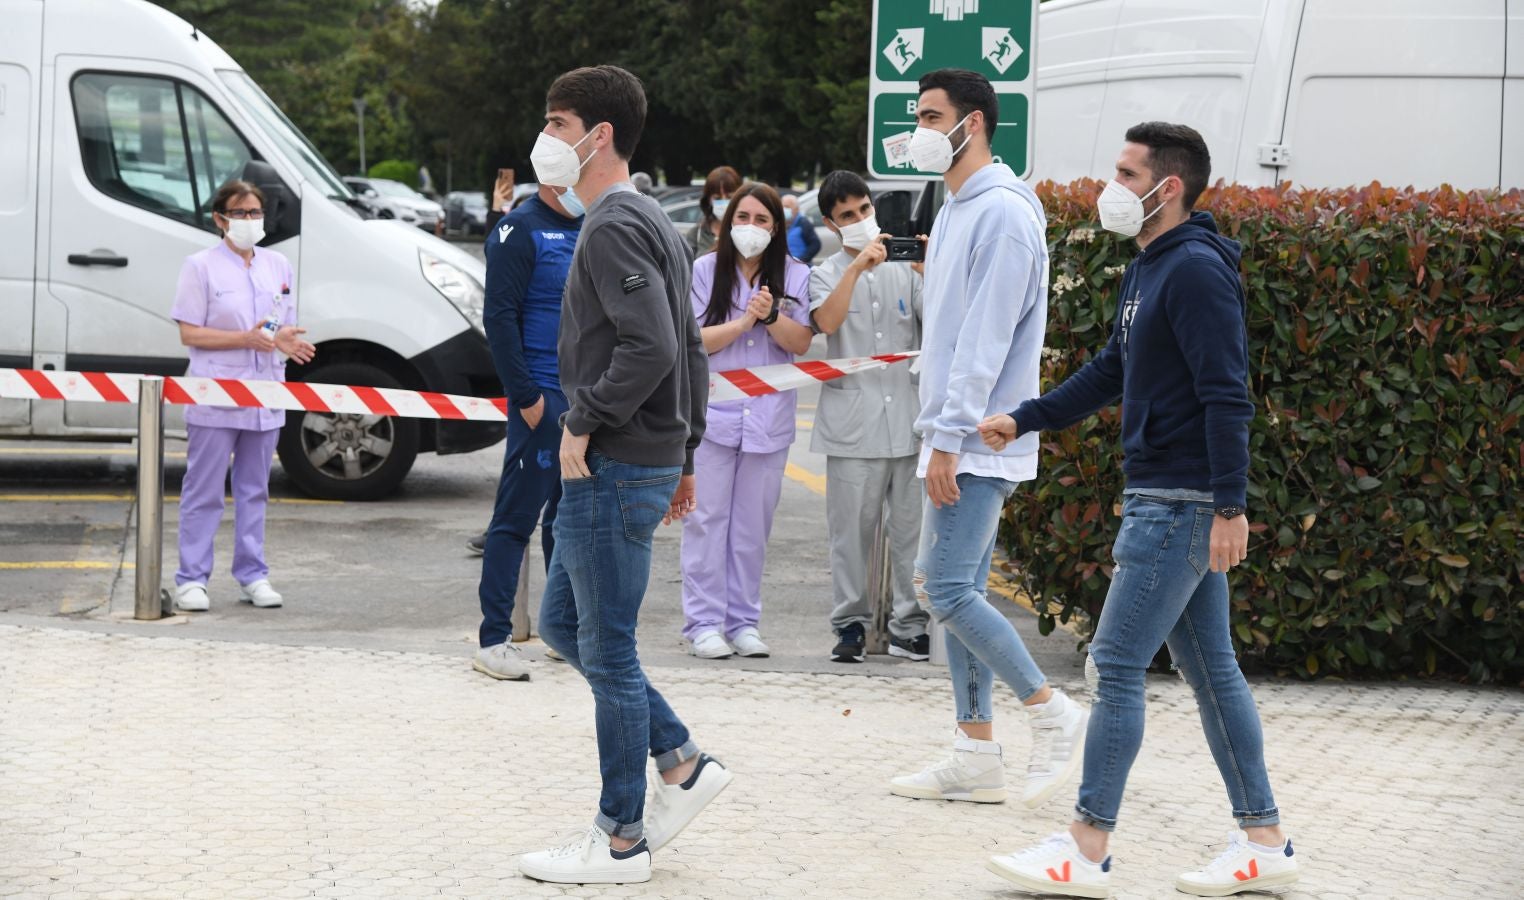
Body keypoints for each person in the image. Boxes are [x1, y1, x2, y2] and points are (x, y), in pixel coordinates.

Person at [980, 122, 1299, 898]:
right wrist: (1027, 417)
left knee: (1114, 665)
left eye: (1126, 173)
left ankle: (1086, 847)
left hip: (1181, 500)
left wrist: (1231, 504)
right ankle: (1264, 841)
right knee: (1211, 670)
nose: (1111, 186)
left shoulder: (1193, 272)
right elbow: (1113, 368)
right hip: (1166, 493)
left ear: (1169, 187)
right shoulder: (1150, 267)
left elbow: (1229, 394)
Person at [516, 65, 730, 886]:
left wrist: (581, 419)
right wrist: (685, 452)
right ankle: (681, 761)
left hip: (610, 465)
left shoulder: (611, 226)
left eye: (557, 121)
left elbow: (655, 348)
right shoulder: (649, 220)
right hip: (638, 459)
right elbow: (686, 345)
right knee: (568, 625)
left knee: (605, 647)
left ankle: (621, 839)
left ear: (597, 137)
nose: (547, 138)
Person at [889, 69, 1089, 811]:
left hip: (974, 436)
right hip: (952, 432)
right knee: (956, 589)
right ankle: (976, 752)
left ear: (971, 123)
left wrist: (948, 438)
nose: (920, 129)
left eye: (931, 115)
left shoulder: (1003, 212)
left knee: (942, 588)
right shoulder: (958, 208)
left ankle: (1053, 712)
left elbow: (986, 338)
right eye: (917, 115)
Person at [169, 180, 316, 612]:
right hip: (216, 393)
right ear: (220, 219)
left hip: (266, 392)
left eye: (256, 213)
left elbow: (274, 324)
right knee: (205, 490)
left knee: (255, 489)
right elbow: (188, 333)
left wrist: (281, 339)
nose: (249, 221)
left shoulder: (278, 265)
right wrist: (245, 340)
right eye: (240, 213)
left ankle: (253, 575)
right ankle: (191, 579)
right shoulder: (200, 266)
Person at [680, 182, 813, 660]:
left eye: (761, 220)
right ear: (726, 222)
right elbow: (693, 339)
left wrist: (772, 314)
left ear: (776, 228)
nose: (750, 228)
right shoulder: (703, 271)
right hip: (713, 419)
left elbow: (800, 342)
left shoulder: (795, 275)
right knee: (706, 521)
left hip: (768, 422)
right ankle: (703, 623)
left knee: (752, 528)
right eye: (743, 218)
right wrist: (741, 324)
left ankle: (743, 622)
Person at [807, 171, 928, 664]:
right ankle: (850, 624)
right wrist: (855, 268)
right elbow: (827, 323)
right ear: (831, 224)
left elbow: (939, 320)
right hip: (852, 425)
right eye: (846, 216)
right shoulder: (825, 272)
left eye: (863, 210)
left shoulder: (905, 268)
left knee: (911, 533)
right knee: (850, 535)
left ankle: (909, 625)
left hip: (909, 420)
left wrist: (927, 269)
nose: (858, 221)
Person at [470, 183, 583, 681]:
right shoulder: (520, 229)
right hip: (542, 397)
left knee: (570, 517)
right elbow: (498, 316)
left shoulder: (588, 225)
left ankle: (560, 630)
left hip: (585, 397)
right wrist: (527, 396)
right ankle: (494, 638)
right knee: (516, 518)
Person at [689, 165, 741, 257]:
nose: (724, 202)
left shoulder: (746, 231)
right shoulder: (696, 233)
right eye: (717, 198)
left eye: (729, 197)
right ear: (708, 200)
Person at [781, 194, 820, 264]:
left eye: (787, 207)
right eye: (782, 206)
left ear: (796, 209)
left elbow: (816, 244)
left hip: (800, 266)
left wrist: (801, 260)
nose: (784, 209)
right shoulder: (779, 224)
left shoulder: (803, 223)